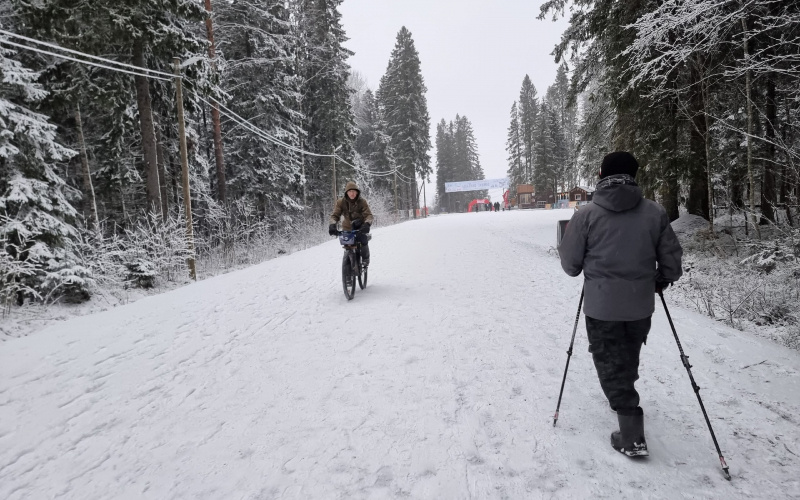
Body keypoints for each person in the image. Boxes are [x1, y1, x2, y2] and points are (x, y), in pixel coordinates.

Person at [557, 151, 683, 458]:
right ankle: (622, 392)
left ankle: (631, 434)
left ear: (602, 176)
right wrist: (660, 280)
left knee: (608, 358)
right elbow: (672, 263)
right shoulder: (654, 212)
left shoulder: (585, 215)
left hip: (601, 306)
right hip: (641, 304)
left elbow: (571, 265)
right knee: (627, 353)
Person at [328, 181, 374, 266]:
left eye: (354, 191)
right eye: (350, 191)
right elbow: (335, 215)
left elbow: (368, 215)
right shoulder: (341, 202)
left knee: (363, 240)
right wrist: (332, 225)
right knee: (348, 246)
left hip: (360, 227)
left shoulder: (362, 202)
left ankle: (365, 259)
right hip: (347, 228)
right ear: (346, 193)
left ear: (357, 192)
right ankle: (348, 266)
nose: (352, 193)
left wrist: (367, 224)